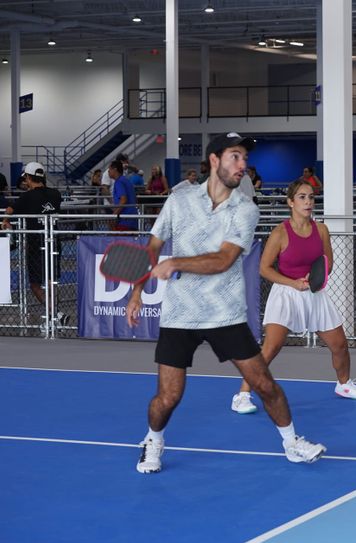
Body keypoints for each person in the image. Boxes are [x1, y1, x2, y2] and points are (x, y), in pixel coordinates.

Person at [126, 132, 325, 474]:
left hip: (226, 313)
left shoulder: (246, 210)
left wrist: (176, 263)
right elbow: (154, 245)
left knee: (264, 384)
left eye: (245, 158)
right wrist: (137, 290)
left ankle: (292, 443)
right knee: (168, 396)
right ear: (214, 160)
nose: (243, 165)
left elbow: (223, 260)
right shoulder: (179, 200)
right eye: (235, 157)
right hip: (180, 314)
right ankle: (153, 440)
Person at [231, 178, 356, 415]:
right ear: (290, 202)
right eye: (302, 197)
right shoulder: (280, 232)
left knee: (339, 344)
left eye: (311, 197)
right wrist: (293, 283)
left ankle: (344, 385)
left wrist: (314, 279)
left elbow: (328, 263)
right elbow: (264, 268)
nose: (308, 202)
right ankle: (242, 395)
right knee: (271, 348)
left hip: (314, 293)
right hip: (285, 294)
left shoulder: (322, 230)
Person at [2, 162, 62, 306]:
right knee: (52, 280)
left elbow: (10, 210)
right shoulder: (56, 194)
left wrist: (5, 220)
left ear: (28, 178)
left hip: (36, 244)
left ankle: (54, 314)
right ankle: (54, 316)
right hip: (54, 241)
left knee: (35, 284)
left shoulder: (27, 197)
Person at [108, 160, 138, 231]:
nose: (108, 172)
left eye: (109, 169)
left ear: (115, 169)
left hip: (125, 221)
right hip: (132, 219)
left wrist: (114, 215)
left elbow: (123, 200)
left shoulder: (119, 182)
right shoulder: (126, 180)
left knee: (119, 241)